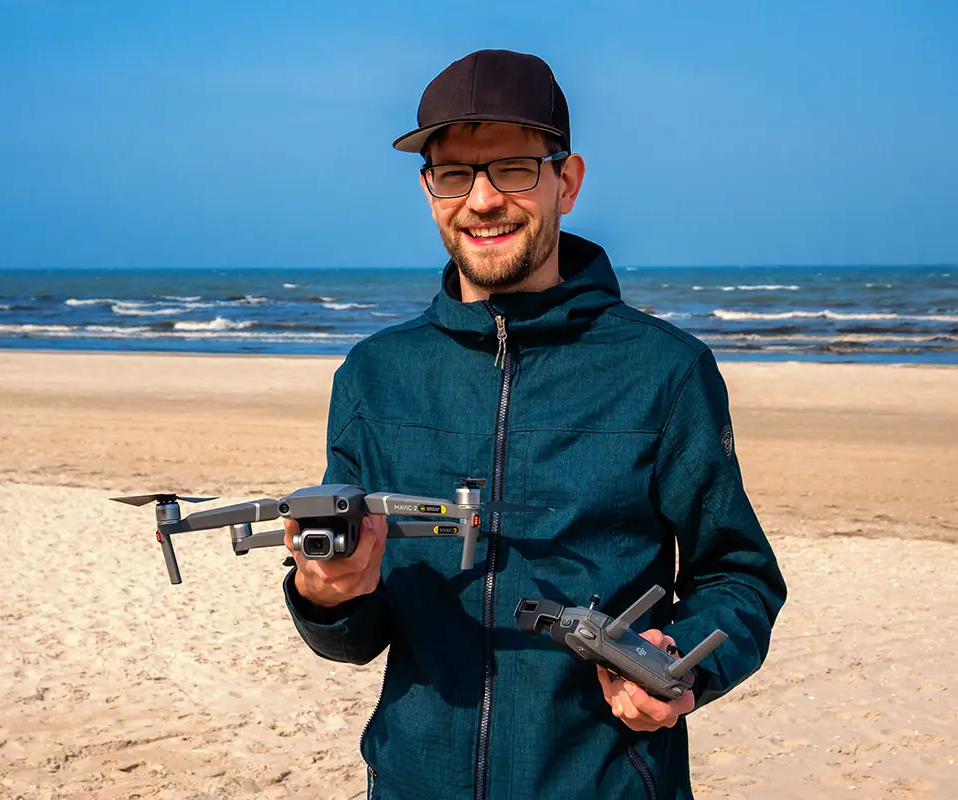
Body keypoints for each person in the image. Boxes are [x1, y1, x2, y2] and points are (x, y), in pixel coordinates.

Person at [281, 49, 787, 800]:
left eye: (514, 169)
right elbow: (356, 637)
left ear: (567, 182)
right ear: (429, 190)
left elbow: (737, 575)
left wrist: (677, 662)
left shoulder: (666, 370)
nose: (483, 200)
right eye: (455, 174)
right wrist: (327, 594)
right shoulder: (373, 376)